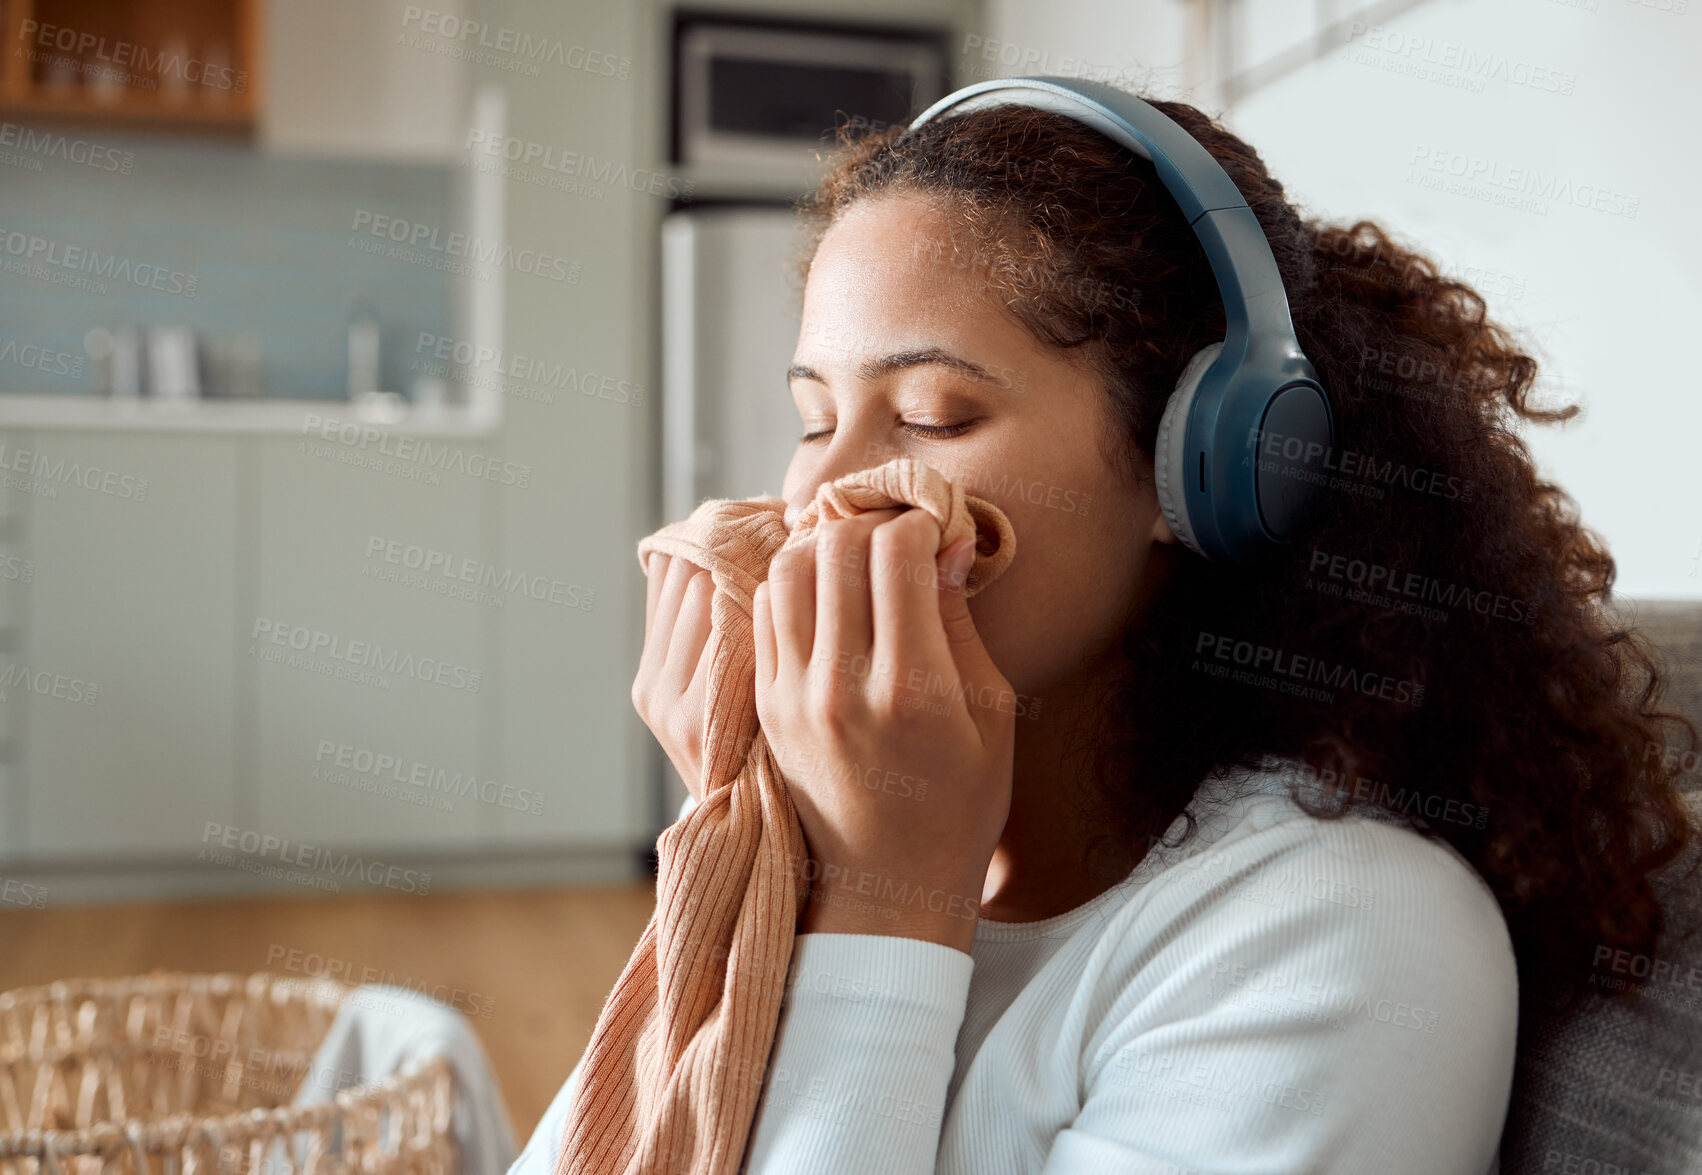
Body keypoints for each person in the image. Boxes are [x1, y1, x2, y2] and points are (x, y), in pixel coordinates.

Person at [516, 85, 1699, 1174]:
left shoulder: (1337, 928)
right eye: (815, 416)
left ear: (1216, 466)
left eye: (932, 412)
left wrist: (888, 888)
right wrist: (749, 838)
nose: (834, 489)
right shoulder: (820, 843)